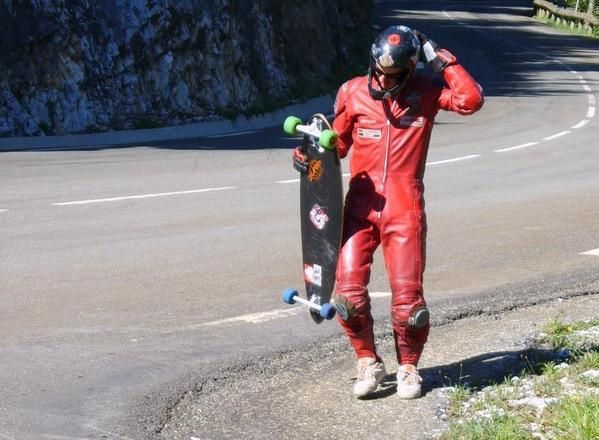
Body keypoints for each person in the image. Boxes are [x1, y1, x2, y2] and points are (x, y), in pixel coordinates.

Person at [292, 25, 484, 399]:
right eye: (378, 70)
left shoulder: (426, 92)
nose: (382, 79)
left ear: (409, 70)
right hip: (359, 208)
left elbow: (470, 99)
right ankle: (367, 361)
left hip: (404, 208)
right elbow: (336, 146)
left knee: (409, 303)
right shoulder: (353, 92)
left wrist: (438, 55)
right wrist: (307, 155)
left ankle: (409, 368)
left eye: (392, 74)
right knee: (346, 296)